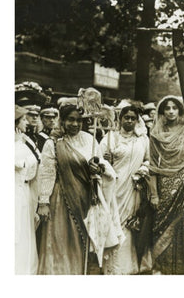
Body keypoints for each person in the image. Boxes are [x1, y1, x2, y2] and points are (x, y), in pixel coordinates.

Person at [36, 104, 123, 274]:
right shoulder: (53, 143)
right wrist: (43, 202)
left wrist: (99, 170)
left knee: (84, 239)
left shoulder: (89, 140)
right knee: (61, 240)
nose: (75, 124)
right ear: (62, 120)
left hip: (86, 196)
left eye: (79, 120)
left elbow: (102, 166)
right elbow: (46, 172)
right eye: (71, 120)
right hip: (62, 199)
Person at [100, 105, 152, 274]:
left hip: (133, 187)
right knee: (113, 222)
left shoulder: (142, 139)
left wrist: (142, 172)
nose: (129, 121)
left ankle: (128, 266)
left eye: (133, 118)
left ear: (137, 120)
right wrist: (106, 161)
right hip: (113, 187)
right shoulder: (110, 138)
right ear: (120, 119)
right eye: (126, 117)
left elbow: (149, 160)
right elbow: (98, 161)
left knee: (129, 224)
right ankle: (112, 267)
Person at [148, 96, 184, 274]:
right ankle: (161, 267)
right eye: (167, 108)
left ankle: (180, 268)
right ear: (162, 112)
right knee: (162, 223)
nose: (171, 111)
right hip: (163, 183)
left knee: (181, 223)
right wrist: (154, 193)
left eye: (175, 108)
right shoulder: (155, 134)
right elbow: (152, 165)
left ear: (180, 111)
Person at [15, 105, 39, 274]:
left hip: (23, 191)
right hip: (16, 192)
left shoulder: (23, 140)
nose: (26, 122)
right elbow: (26, 168)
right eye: (23, 119)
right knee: (19, 233)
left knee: (24, 232)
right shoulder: (17, 144)